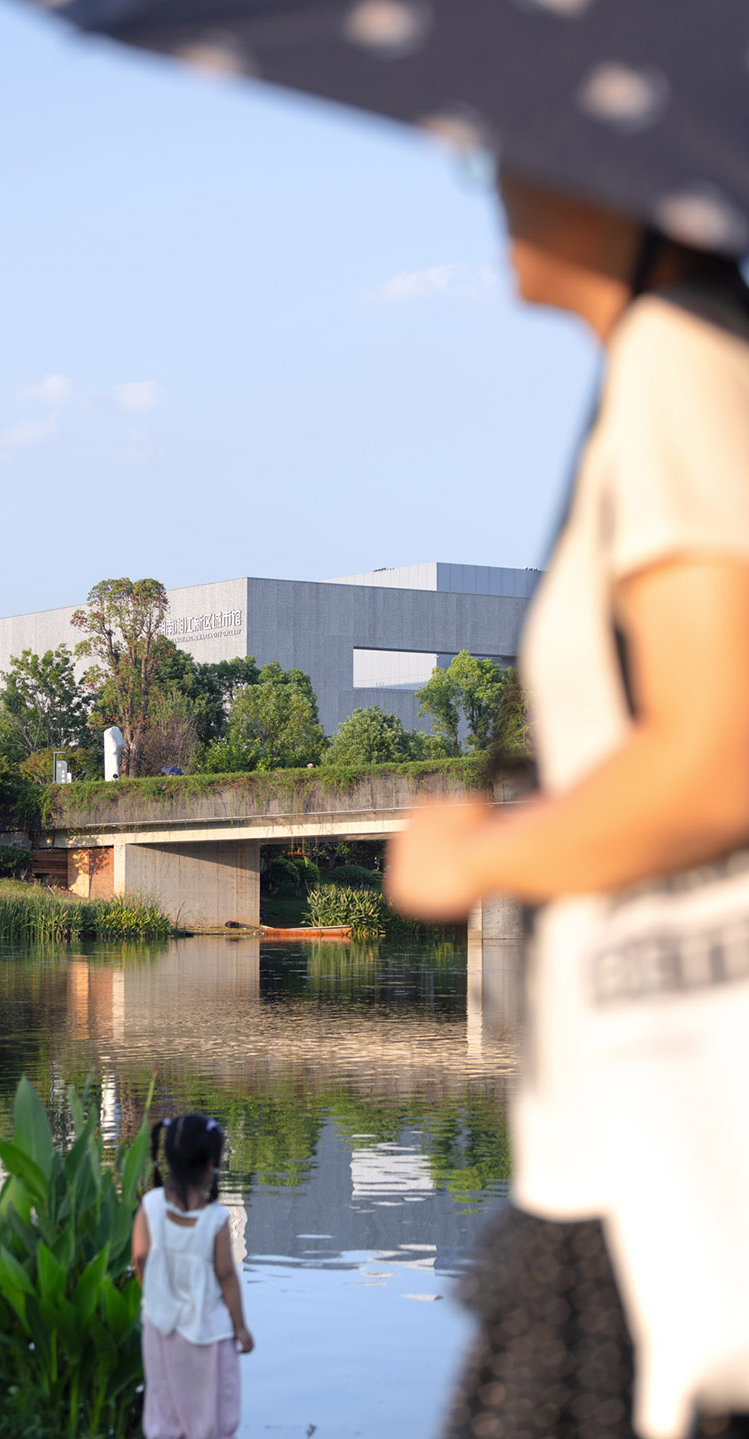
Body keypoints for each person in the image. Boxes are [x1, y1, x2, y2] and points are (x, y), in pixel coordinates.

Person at [386, 172, 749, 1439]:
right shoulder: (668, 364)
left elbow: (721, 757)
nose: (494, 182)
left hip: (674, 1133)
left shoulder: (683, 352)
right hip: (630, 1123)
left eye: (520, 149)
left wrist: (476, 854)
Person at [132, 1112, 254, 1439]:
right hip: (208, 1334)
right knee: (209, 1417)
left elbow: (140, 1258)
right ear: (210, 1164)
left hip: (161, 1329)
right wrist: (240, 1327)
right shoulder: (215, 1219)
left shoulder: (151, 1206)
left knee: (166, 1412)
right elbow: (227, 1276)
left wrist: (155, 1296)